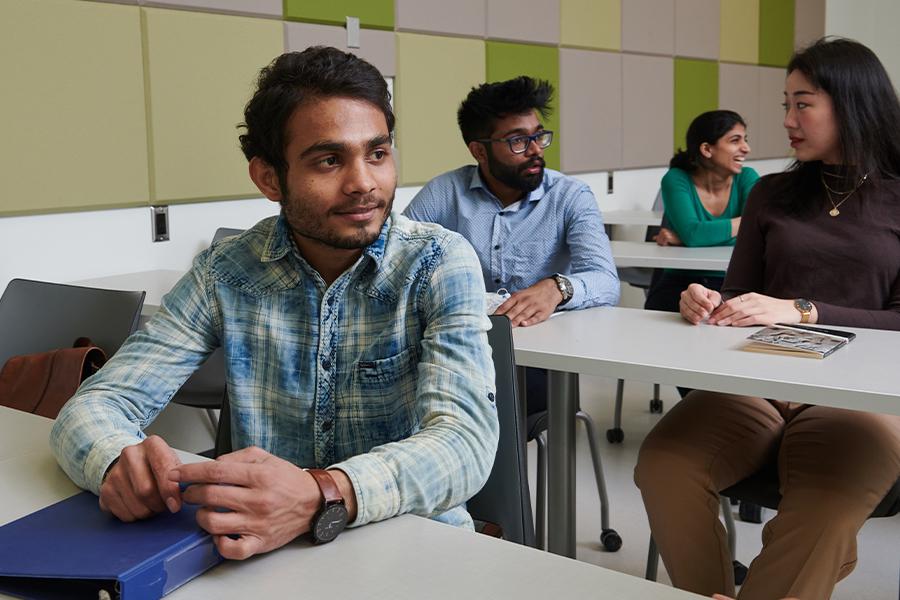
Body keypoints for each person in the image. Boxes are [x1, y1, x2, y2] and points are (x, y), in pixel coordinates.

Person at [50, 46, 499, 560]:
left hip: (414, 545)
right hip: (262, 556)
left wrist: (322, 493)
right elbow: (94, 405)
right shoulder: (227, 272)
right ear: (268, 178)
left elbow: (466, 443)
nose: (364, 183)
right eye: (329, 160)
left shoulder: (439, 263)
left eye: (377, 153)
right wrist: (114, 462)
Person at [634, 37, 900, 600]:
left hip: (859, 392)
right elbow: (739, 293)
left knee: (824, 508)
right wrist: (703, 304)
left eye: (802, 103)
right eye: (785, 104)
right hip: (758, 378)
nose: (787, 120)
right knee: (664, 464)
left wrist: (804, 311)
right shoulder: (773, 193)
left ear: (851, 103)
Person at [403, 76, 620, 328]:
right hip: (465, 336)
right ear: (479, 152)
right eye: (518, 141)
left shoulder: (570, 195)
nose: (535, 150)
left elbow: (606, 281)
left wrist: (558, 288)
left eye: (538, 136)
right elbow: (396, 260)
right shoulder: (444, 192)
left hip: (546, 340)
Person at [644, 110, 759, 313]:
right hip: (679, 281)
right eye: (735, 140)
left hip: (731, 282)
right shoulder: (676, 179)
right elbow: (694, 234)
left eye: (745, 140)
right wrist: (693, 236)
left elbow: (757, 233)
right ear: (707, 149)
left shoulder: (747, 177)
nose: (746, 148)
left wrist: (686, 239)